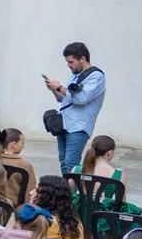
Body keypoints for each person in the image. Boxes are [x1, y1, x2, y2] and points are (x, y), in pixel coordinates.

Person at [45, 41, 105, 176]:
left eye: (71, 62)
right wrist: (54, 90)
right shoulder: (75, 74)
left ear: (82, 58)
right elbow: (64, 99)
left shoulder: (96, 76)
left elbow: (81, 99)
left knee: (71, 162)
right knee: (63, 161)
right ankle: (66, 192)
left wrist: (59, 87)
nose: (68, 65)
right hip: (65, 124)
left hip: (79, 126)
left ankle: (75, 194)